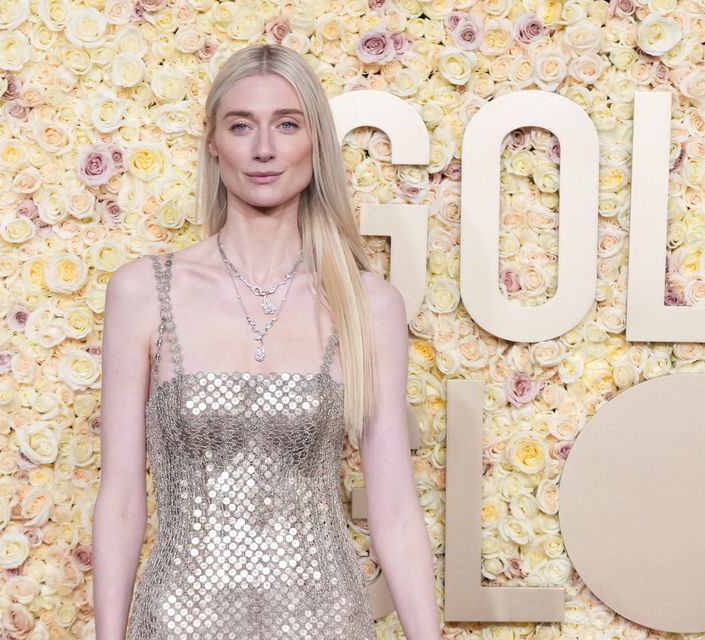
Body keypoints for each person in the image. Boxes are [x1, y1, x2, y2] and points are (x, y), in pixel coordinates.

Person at [93, 44, 440, 640]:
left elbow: (394, 507)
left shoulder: (368, 305)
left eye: (286, 124)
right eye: (240, 126)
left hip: (325, 620)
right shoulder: (144, 292)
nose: (263, 148)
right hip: (178, 622)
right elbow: (122, 496)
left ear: (315, 142)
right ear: (213, 142)